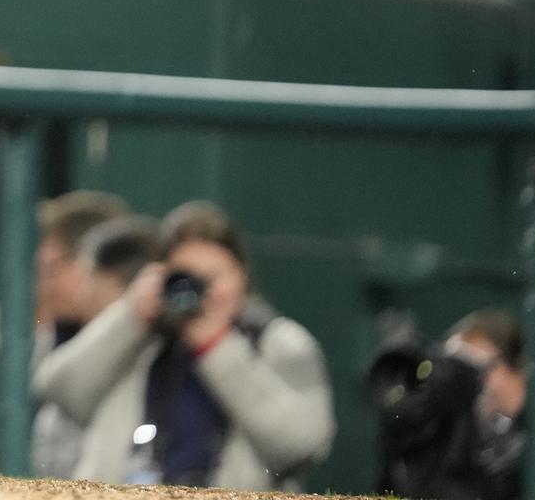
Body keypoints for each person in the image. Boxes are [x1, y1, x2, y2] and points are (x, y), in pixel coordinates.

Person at [33, 201, 336, 489]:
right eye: (186, 278)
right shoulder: (141, 338)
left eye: (214, 277)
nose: (201, 292)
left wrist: (216, 347)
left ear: (242, 276)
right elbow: (60, 390)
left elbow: (302, 445)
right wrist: (130, 316)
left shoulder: (277, 342)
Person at [0, 192, 129, 470]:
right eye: (41, 271)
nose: (45, 285)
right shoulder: (16, 320)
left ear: (88, 264)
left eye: (52, 270)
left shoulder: (138, 328)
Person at [373, 308, 528, 500]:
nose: (466, 378)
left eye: (476, 367)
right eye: (455, 365)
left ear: (514, 367)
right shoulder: (442, 430)